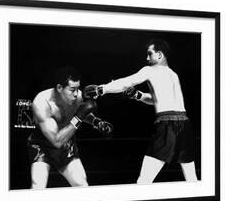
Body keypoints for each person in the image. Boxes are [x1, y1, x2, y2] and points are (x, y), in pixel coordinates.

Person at [83, 39, 198, 184]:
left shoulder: (150, 70)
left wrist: (102, 89)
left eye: (150, 54)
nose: (147, 58)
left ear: (160, 55)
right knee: (192, 180)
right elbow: (158, 99)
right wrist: (139, 96)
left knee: (144, 181)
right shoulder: (173, 74)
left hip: (167, 126)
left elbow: (126, 82)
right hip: (185, 125)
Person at [27, 66, 113, 189]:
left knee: (82, 185)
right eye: (72, 89)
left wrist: (97, 122)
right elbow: (57, 141)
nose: (77, 93)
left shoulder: (76, 97)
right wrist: (79, 117)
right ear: (59, 88)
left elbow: (82, 112)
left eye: (78, 89)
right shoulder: (42, 103)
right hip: (42, 147)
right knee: (38, 186)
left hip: (67, 146)